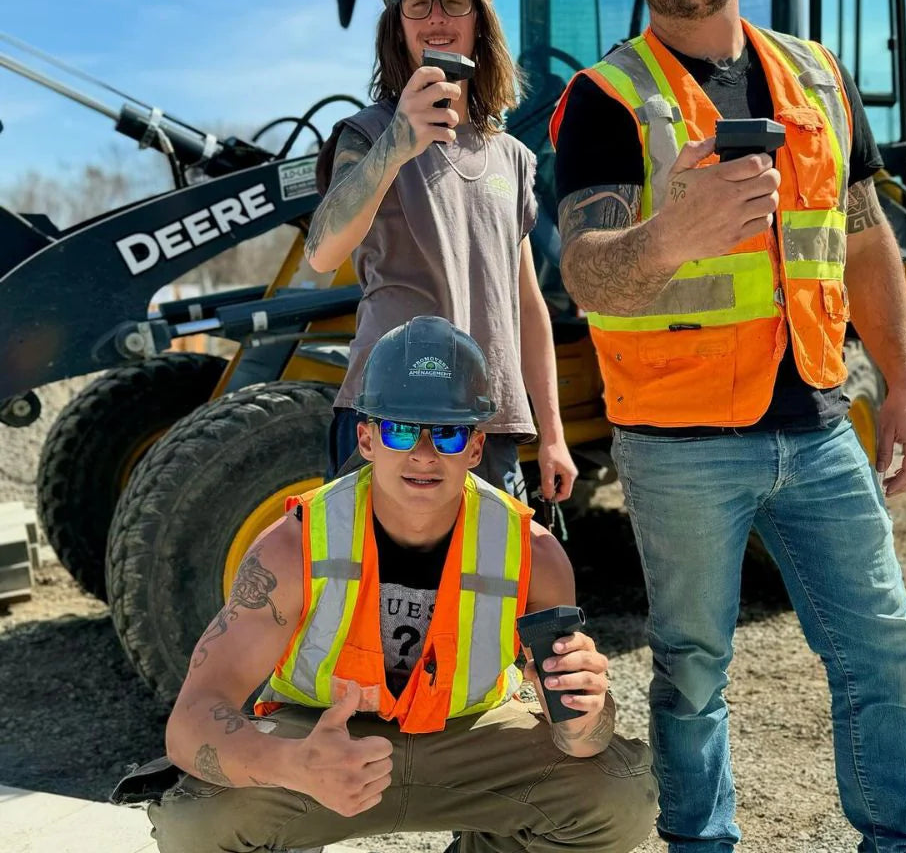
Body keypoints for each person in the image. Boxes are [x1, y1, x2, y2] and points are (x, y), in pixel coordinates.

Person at [550, 0, 906, 853]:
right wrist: (668, 235)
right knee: (691, 670)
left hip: (818, 425)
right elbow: (585, 269)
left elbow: (864, 240)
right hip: (679, 445)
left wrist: (904, 388)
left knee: (885, 649)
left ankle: (902, 841)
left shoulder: (818, 78)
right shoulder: (606, 102)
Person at [144, 316, 657, 853]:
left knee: (616, 796)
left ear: (476, 447)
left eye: (448, 433)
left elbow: (580, 742)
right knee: (196, 821)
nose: (423, 453)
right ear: (366, 438)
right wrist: (293, 764)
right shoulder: (293, 547)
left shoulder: (534, 553)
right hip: (321, 737)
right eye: (400, 430)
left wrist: (588, 717)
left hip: (471, 738)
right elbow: (191, 721)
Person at [306, 0, 576, 505]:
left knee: (491, 570)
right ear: (396, 24)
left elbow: (526, 303)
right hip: (389, 423)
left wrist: (553, 434)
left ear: (480, 19)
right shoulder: (367, 134)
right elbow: (323, 252)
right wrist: (398, 144)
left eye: (454, 1)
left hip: (487, 425)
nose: (436, 18)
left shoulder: (512, 157)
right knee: (368, 570)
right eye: (418, 3)